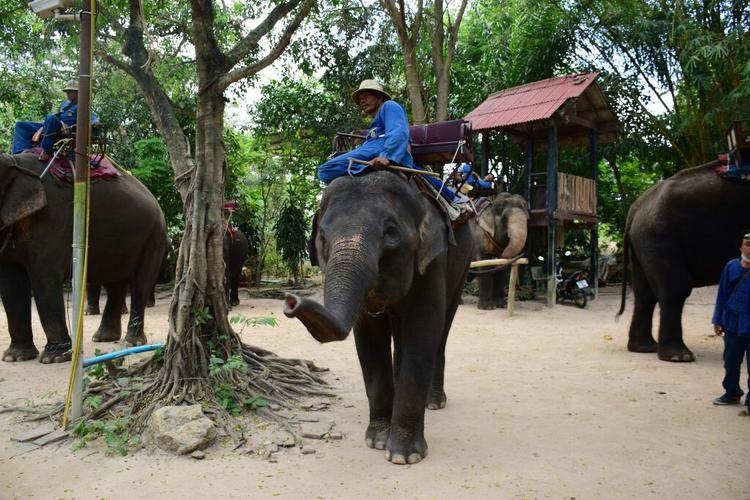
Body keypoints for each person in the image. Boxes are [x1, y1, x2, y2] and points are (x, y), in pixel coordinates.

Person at [317, 79, 454, 201]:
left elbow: (398, 131)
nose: (362, 101)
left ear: (380, 96)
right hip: (373, 148)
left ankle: (365, 166)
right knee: (324, 172)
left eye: (366, 96)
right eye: (360, 99)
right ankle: (366, 167)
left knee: (326, 169)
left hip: (381, 148)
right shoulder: (374, 126)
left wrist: (387, 156)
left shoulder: (389, 106)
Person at [11, 79, 100, 161]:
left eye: (71, 91)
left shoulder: (81, 106)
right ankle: (20, 153)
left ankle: (46, 151)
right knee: (20, 125)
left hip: (65, 129)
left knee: (50, 117)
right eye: (67, 91)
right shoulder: (65, 104)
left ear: (77, 93)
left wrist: (95, 122)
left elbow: (93, 118)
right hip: (51, 125)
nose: (68, 94)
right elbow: (57, 115)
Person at [711, 230, 750, 412]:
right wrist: (718, 320)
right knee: (731, 360)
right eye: (748, 244)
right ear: (741, 247)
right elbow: (722, 295)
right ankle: (732, 392)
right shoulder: (731, 267)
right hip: (733, 322)